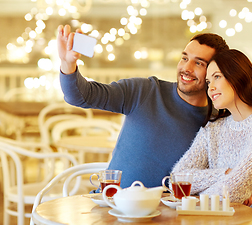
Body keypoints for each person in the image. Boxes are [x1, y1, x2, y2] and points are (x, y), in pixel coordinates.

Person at [56, 24, 229, 188]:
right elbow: (81, 96)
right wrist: (68, 63)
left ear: (215, 73)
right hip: (114, 207)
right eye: (184, 58)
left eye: (199, 63)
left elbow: (225, 171)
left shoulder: (217, 121)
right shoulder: (144, 91)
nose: (186, 68)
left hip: (171, 216)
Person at [171, 49, 252, 224]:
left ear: (238, 76)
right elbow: (176, 180)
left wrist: (228, 186)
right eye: (208, 81)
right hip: (218, 220)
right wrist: (225, 174)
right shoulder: (213, 129)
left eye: (217, 77)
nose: (211, 88)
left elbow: (233, 189)